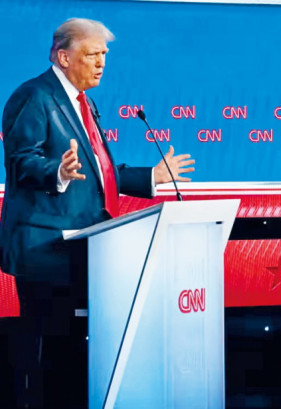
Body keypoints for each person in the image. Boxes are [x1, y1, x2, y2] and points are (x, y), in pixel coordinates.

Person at [0, 18, 195, 408]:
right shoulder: (34, 96)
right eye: (92, 54)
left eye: (104, 54)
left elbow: (100, 171)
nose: (101, 63)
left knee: (73, 354)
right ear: (63, 56)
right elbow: (21, 161)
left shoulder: (83, 102)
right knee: (47, 357)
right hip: (46, 251)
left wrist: (150, 177)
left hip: (81, 249)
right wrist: (56, 172)